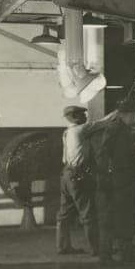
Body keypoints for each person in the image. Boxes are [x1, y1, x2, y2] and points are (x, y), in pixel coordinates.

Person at [84, 97, 135, 264]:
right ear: (128, 115)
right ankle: (108, 256)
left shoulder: (123, 129)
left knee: (124, 217)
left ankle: (124, 254)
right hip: (115, 181)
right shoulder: (115, 128)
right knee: (112, 218)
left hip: (120, 179)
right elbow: (104, 154)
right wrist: (107, 175)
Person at [55, 105, 97, 256]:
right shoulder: (80, 130)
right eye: (82, 114)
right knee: (87, 212)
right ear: (74, 116)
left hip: (65, 174)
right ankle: (95, 248)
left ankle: (63, 247)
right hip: (76, 175)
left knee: (63, 214)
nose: (86, 117)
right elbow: (101, 123)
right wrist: (117, 113)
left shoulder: (66, 132)